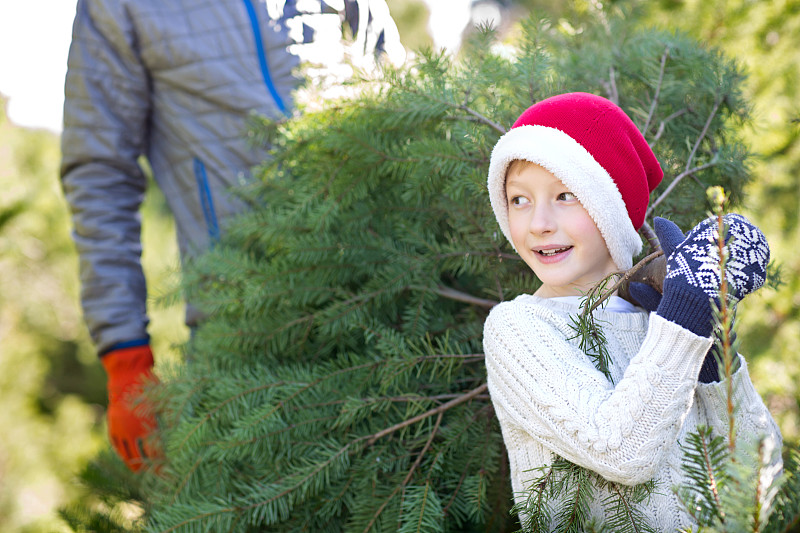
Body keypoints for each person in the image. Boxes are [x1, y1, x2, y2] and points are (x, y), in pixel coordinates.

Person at [60, 0, 404, 472]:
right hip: (245, 334)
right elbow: (100, 176)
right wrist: (126, 361)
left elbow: (396, 88)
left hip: (393, 296)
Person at [482, 92, 782, 530]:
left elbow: (760, 487)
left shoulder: (662, 323)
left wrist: (714, 362)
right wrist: (683, 321)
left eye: (565, 195)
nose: (538, 222)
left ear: (612, 211)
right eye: (518, 199)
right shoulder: (519, 328)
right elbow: (621, 451)